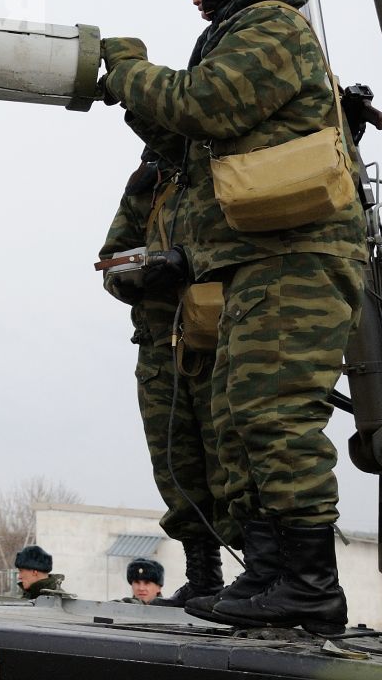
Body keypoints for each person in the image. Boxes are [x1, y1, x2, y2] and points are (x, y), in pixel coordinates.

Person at [99, 0, 365, 635]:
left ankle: (310, 588)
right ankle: (275, 576)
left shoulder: (271, 25)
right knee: (244, 421)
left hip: (298, 254)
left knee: (274, 416)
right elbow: (188, 136)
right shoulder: (238, 32)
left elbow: (205, 103)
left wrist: (126, 68)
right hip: (259, 258)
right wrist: (133, 100)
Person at [96, 146, 228, 606]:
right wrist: (142, 272)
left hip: (217, 342)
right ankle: (205, 578)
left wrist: (188, 259)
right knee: (176, 465)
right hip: (157, 348)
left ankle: (265, 575)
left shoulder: (221, 170)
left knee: (229, 461)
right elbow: (110, 260)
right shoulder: (146, 186)